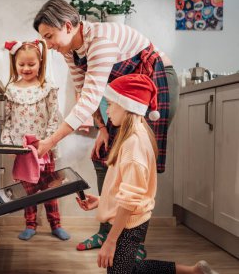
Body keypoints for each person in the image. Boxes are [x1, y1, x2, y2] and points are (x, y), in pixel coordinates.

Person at [33, 0, 179, 254]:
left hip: (155, 82)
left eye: (49, 36)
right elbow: (83, 91)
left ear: (68, 26)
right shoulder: (70, 50)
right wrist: (101, 129)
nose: (49, 44)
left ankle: (133, 244)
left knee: (137, 166)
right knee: (104, 157)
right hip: (125, 96)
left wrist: (50, 142)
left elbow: (91, 98)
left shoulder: (101, 40)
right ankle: (106, 232)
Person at [76, 74, 217, 274]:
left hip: (129, 224)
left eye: (110, 104)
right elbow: (125, 188)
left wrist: (110, 241)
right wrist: (102, 200)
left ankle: (193, 271)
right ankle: (194, 271)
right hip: (130, 219)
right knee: (128, 269)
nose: (107, 111)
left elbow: (130, 199)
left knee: (121, 271)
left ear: (127, 105)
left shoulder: (134, 144)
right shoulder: (134, 135)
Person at [1, 39, 70, 241]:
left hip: (44, 148)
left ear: (40, 62)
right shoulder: (11, 90)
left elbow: (54, 118)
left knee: (49, 187)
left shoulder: (47, 87)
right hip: (23, 151)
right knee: (28, 190)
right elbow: (7, 120)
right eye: (21, 64)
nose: (26, 68)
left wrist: (47, 143)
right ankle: (30, 224)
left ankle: (55, 224)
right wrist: (9, 144)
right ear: (14, 64)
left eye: (31, 64)